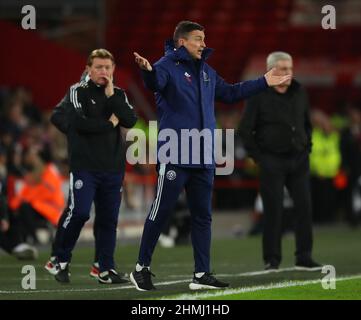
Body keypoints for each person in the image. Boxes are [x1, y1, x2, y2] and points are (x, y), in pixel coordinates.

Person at [130, 21, 291, 291]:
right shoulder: (165, 66)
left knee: (203, 216)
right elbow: (154, 82)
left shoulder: (206, 71)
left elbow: (230, 93)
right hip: (175, 153)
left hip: (203, 155)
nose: (204, 44)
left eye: (204, 38)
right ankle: (141, 268)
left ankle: (201, 274)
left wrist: (263, 81)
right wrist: (147, 71)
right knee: (162, 211)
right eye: (198, 39)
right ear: (182, 41)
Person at [51, 49, 137, 284]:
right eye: (99, 67)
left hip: (113, 167)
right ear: (89, 69)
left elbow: (130, 120)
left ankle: (105, 269)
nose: (104, 72)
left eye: (108, 68)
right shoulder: (77, 91)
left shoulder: (118, 94)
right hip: (85, 166)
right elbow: (79, 123)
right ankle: (60, 258)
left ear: (114, 70)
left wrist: (111, 97)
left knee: (109, 219)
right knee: (79, 213)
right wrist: (109, 124)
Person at [240, 51, 322, 271]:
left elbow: (306, 123)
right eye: (283, 69)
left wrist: (308, 146)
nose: (288, 73)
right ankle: (272, 259)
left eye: (290, 68)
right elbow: (245, 129)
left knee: (304, 208)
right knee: (273, 210)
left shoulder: (299, 92)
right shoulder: (258, 94)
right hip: (271, 161)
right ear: (271, 70)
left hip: (299, 159)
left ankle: (304, 257)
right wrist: (259, 158)